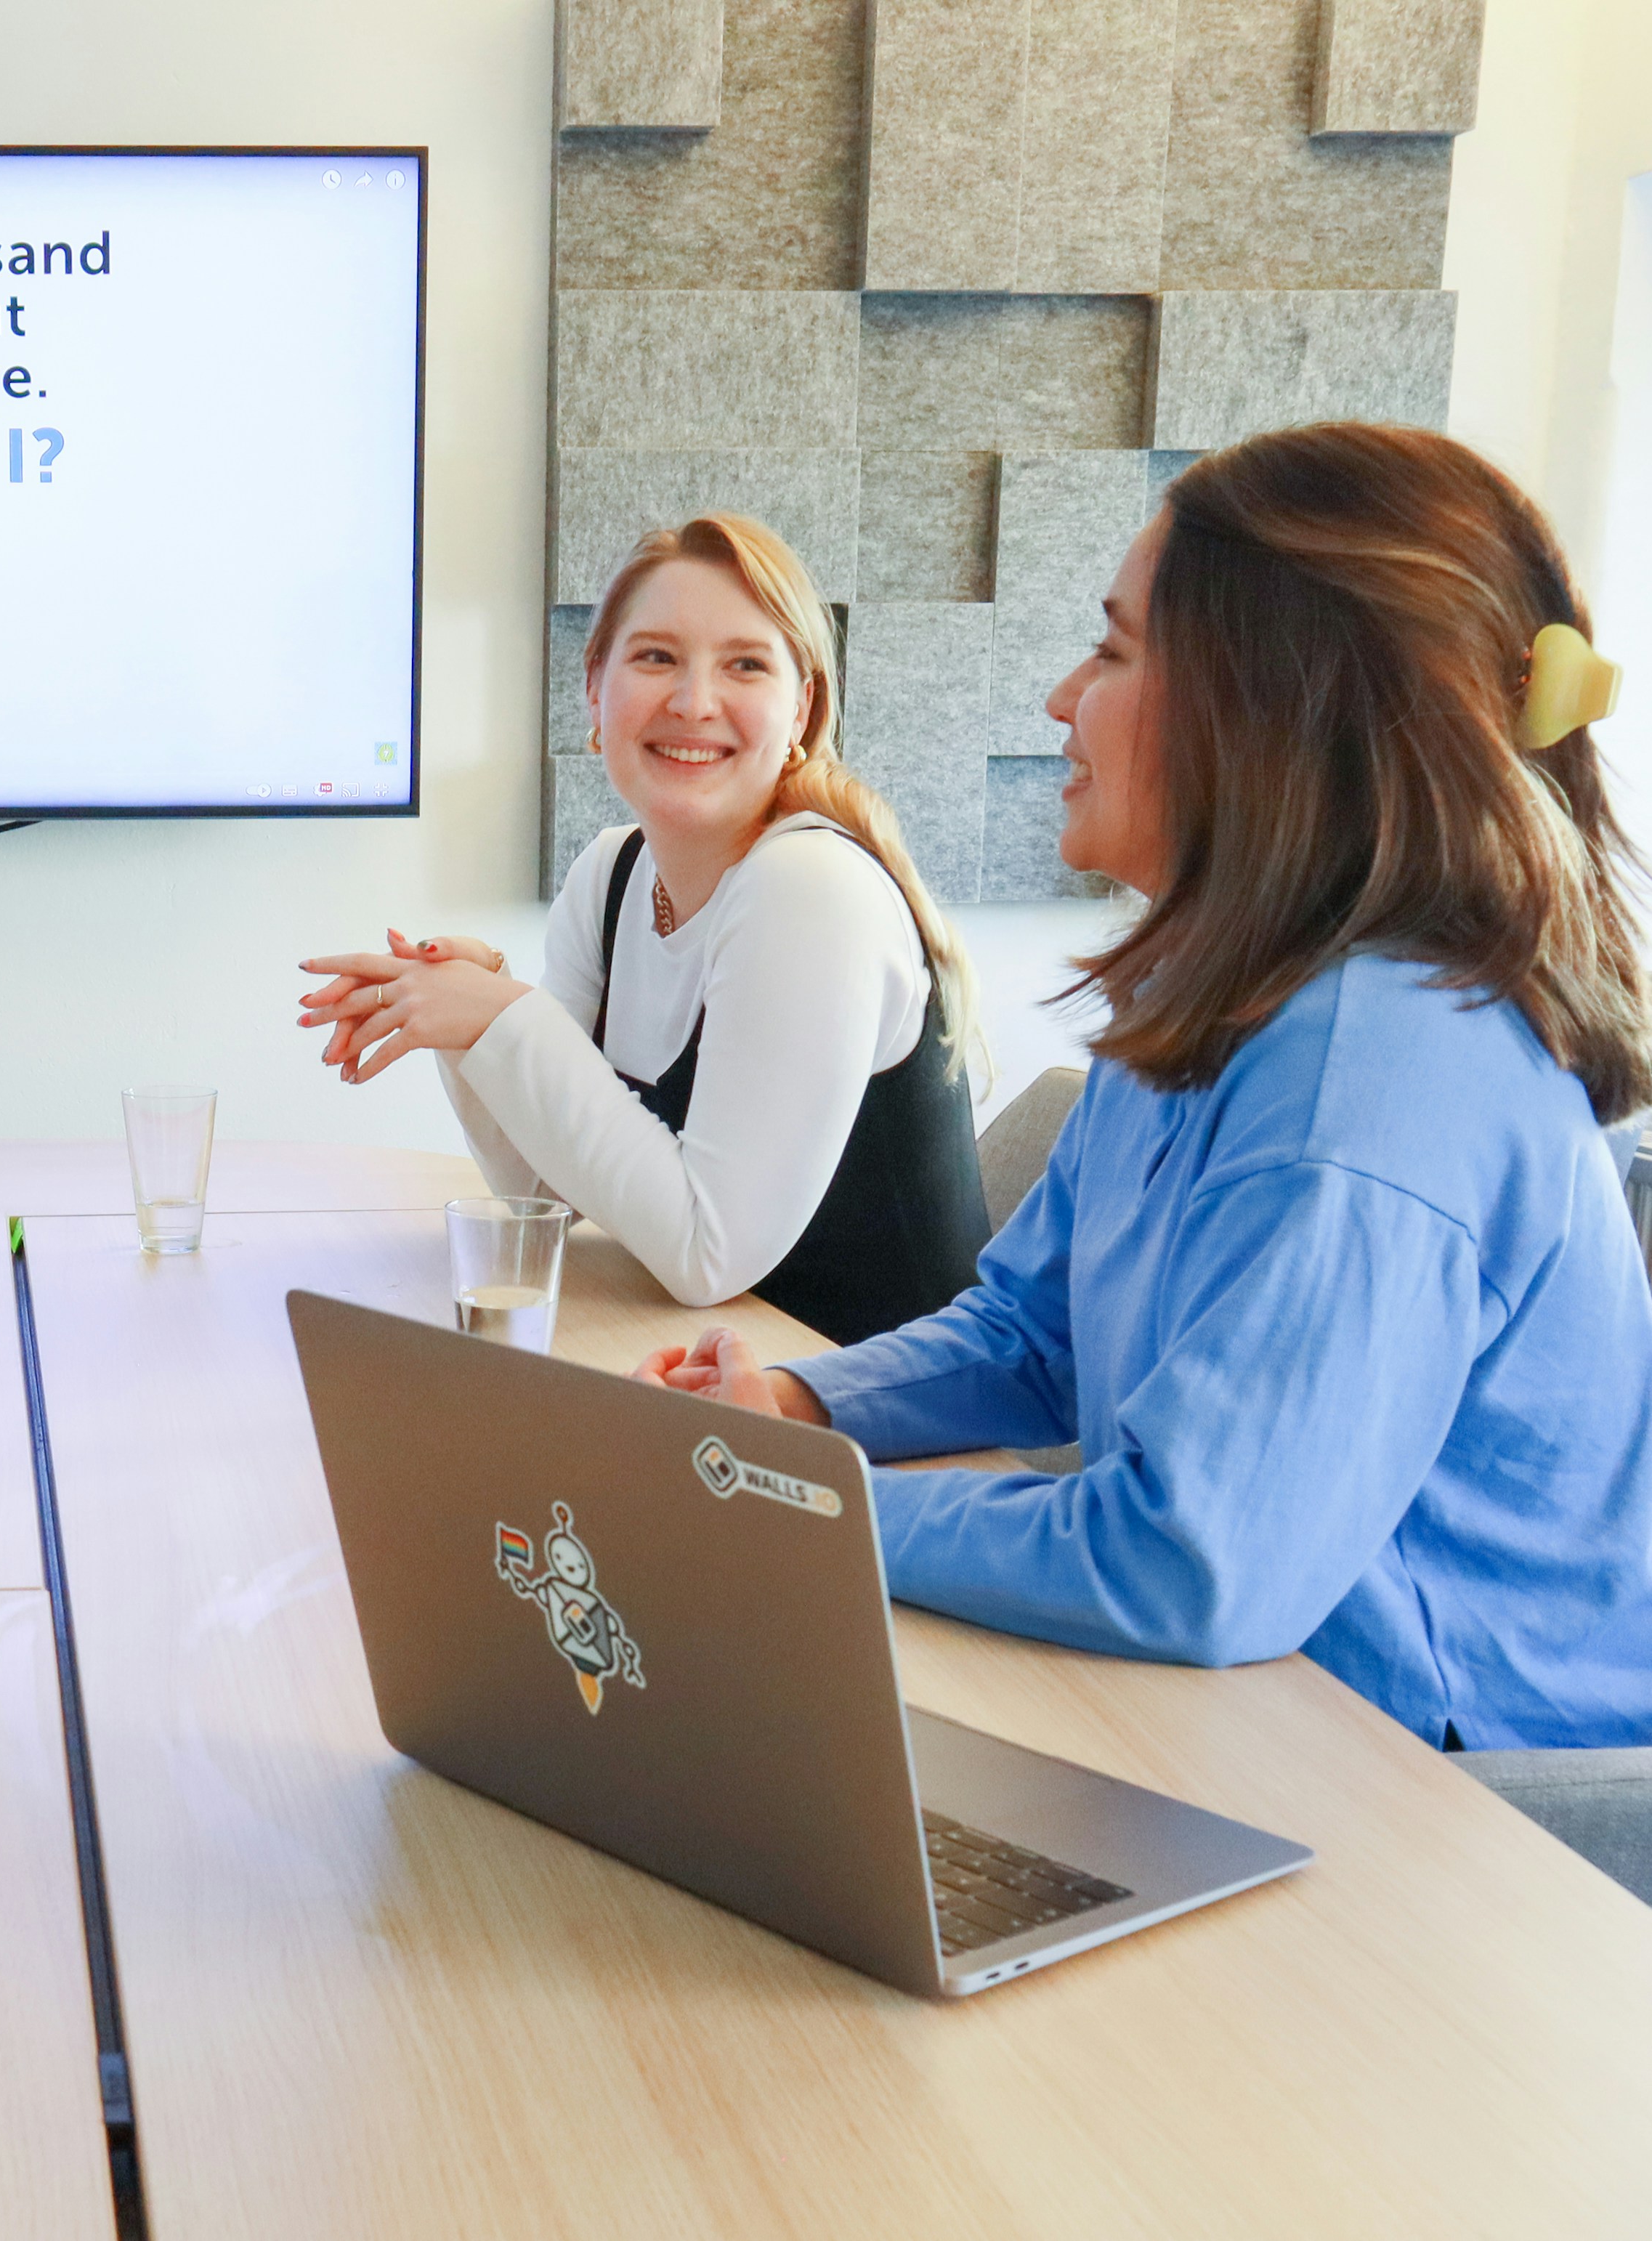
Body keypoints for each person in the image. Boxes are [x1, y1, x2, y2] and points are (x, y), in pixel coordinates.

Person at [642, 424, 1652, 1751]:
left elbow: (1184, 1560)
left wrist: (788, 1496)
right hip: (1272, 1714)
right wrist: (800, 1407)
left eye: (1113, 651)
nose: (1063, 697)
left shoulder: (1374, 1079)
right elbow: (1031, 1333)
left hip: (1460, 1818)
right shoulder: (1225, 997)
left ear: (1264, 709)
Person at [299, 514, 990, 1343]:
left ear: (802, 708)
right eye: (656, 657)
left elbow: (707, 1253)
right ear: (594, 687)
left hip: (874, 1442)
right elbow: (547, 1198)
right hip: (713, 1384)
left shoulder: (810, 887)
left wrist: (503, 1018)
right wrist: (468, 1023)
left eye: (745, 665)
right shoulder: (612, 872)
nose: (694, 703)